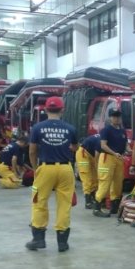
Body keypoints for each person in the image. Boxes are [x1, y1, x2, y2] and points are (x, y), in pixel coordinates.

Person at [26, 96, 77, 252]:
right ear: (62, 110)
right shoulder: (70, 129)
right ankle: (62, 242)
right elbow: (75, 148)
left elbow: (32, 151)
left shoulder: (37, 128)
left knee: (39, 202)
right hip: (65, 168)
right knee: (64, 204)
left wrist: (36, 169)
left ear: (46, 110)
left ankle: (38, 239)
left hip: (46, 168)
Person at [93, 109, 128, 218]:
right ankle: (97, 207)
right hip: (107, 158)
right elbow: (103, 145)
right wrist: (114, 153)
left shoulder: (123, 131)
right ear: (110, 118)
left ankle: (114, 207)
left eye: (118, 116)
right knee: (105, 183)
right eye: (114, 116)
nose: (116, 118)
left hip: (119, 159)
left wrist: (129, 150)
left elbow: (126, 145)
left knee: (118, 184)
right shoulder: (106, 130)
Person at [77, 133, 101, 208]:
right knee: (87, 178)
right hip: (83, 153)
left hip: (92, 155)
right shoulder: (101, 140)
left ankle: (93, 198)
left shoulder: (105, 137)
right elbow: (97, 156)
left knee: (95, 178)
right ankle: (88, 202)